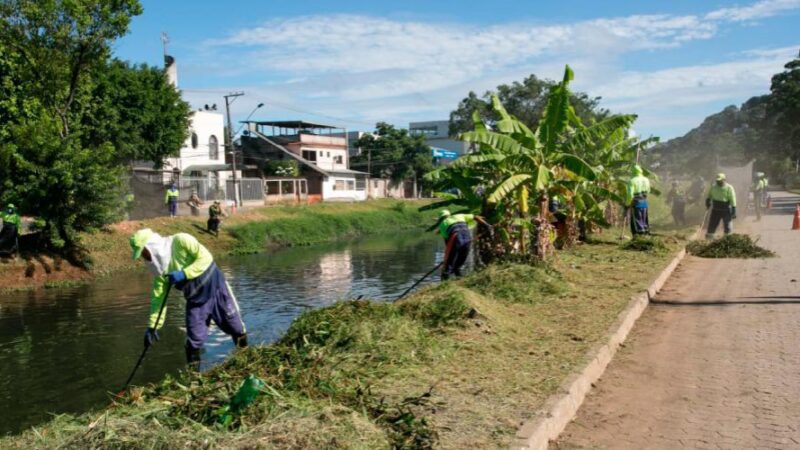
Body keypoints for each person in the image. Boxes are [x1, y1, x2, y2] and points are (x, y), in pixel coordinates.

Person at [129, 228, 248, 367]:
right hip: (196, 301)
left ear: (152, 246)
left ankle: (245, 360)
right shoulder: (159, 273)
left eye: (144, 252)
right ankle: (193, 379)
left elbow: (206, 258)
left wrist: (184, 273)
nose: (145, 258)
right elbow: (158, 300)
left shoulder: (181, 240)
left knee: (237, 328)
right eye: (142, 255)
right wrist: (153, 326)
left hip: (217, 289)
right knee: (193, 341)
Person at [437, 210, 490, 280]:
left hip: (455, 237)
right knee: (460, 261)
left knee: (449, 265)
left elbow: (448, 242)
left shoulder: (442, 224)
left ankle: (444, 282)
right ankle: (459, 277)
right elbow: (475, 217)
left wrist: (449, 256)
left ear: (441, 218)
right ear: (449, 215)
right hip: (467, 237)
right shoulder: (459, 215)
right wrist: (488, 226)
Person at [705, 173, 737, 239]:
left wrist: (734, 209)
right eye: (717, 181)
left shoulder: (729, 188)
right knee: (712, 225)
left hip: (726, 210)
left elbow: (733, 198)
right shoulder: (713, 187)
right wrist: (708, 201)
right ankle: (709, 240)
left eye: (720, 180)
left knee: (727, 227)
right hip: (715, 210)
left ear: (724, 180)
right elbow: (709, 195)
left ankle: (727, 240)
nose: (718, 182)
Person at [627, 165, 651, 236]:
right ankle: (645, 235)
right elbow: (648, 191)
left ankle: (638, 237)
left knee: (636, 221)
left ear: (632, 172)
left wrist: (627, 204)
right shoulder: (646, 179)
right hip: (644, 202)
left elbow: (630, 195)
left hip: (636, 203)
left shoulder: (632, 181)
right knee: (644, 220)